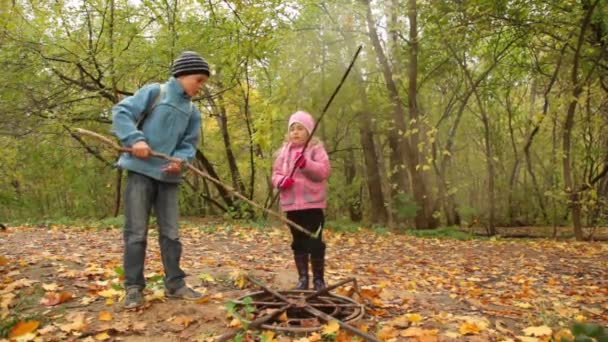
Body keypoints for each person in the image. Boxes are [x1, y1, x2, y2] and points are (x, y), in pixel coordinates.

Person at [112, 51, 209, 309]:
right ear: (183, 74)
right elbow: (121, 112)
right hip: (141, 172)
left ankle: (175, 284)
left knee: (172, 234)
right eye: (198, 80)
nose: (200, 87)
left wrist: (179, 160)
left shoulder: (192, 112)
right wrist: (136, 140)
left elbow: (189, 144)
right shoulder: (156, 93)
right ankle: (133, 287)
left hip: (168, 179)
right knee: (136, 233)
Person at [272, 111, 331, 291]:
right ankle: (303, 279)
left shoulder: (315, 149)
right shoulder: (283, 153)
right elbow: (276, 174)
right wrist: (281, 181)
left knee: (315, 241)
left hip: (312, 205)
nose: (295, 133)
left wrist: (306, 164)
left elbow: (324, 171)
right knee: (298, 242)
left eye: (300, 129)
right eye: (292, 129)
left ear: (309, 132)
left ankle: (319, 281)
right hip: (292, 207)